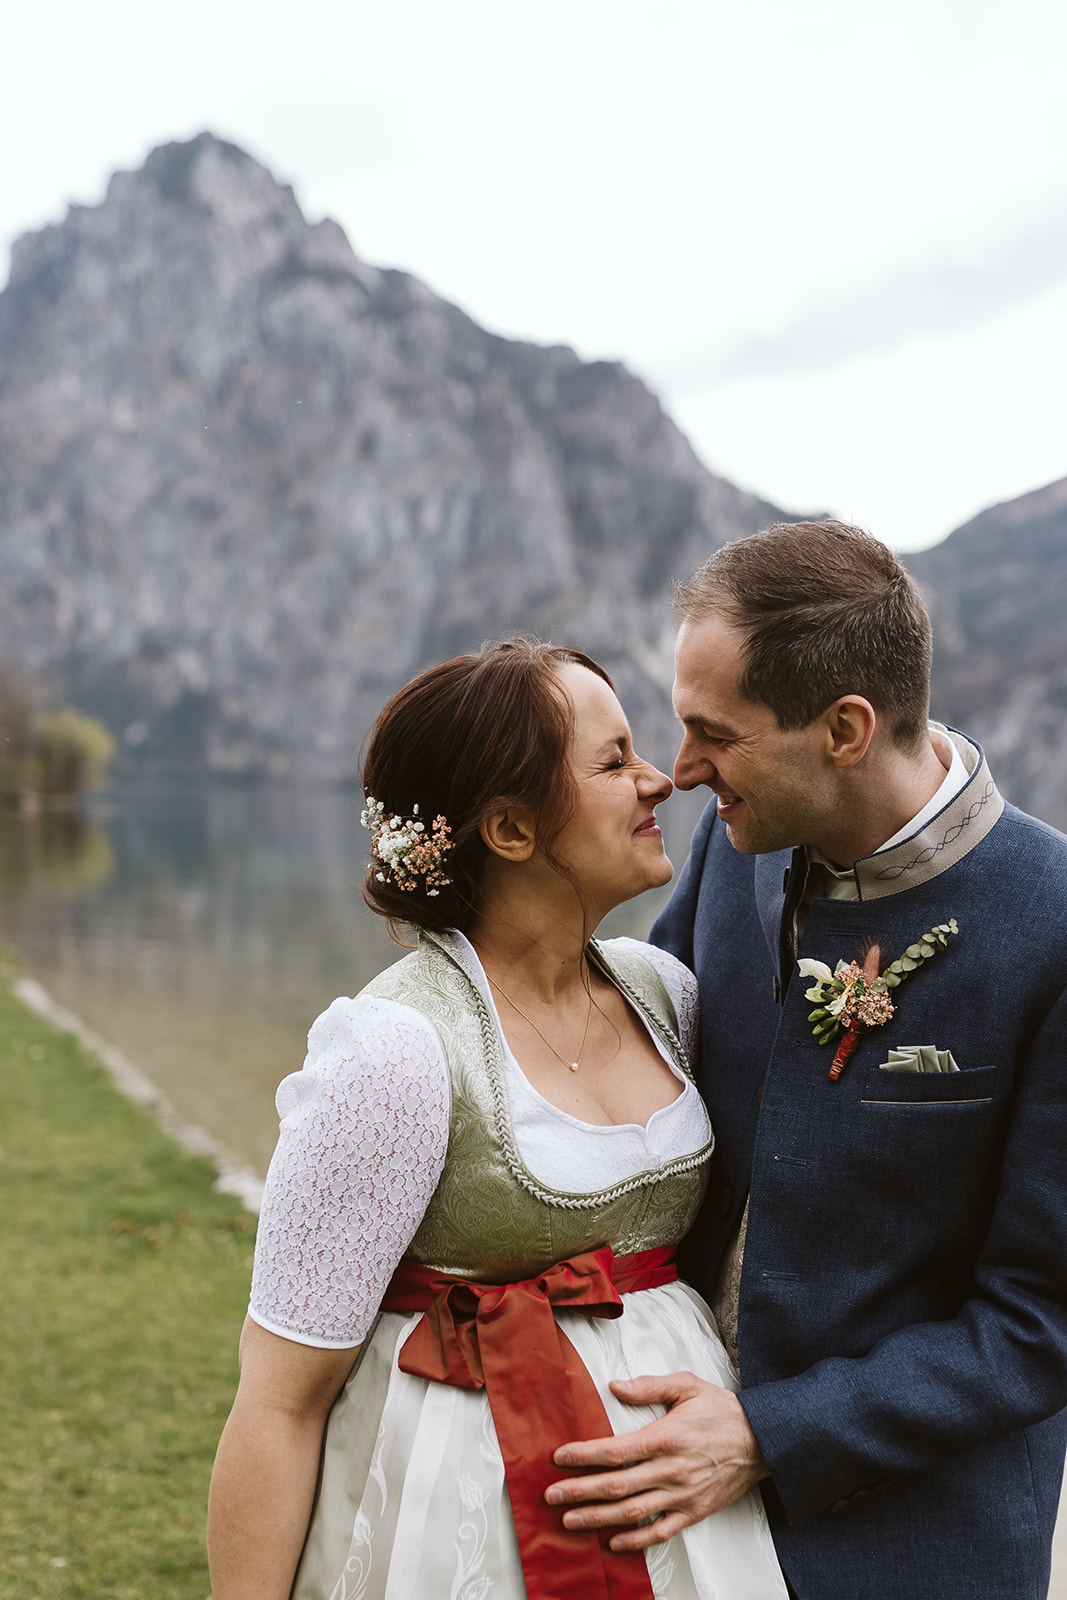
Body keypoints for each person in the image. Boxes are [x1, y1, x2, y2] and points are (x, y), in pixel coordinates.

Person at [544, 521, 1067, 1599]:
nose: (680, 772)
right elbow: (632, 1082)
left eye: (712, 734)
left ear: (842, 729)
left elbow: (1041, 1313)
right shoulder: (730, 852)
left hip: (914, 1548)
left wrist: (767, 1430)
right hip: (671, 1511)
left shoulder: (1053, 925)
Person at [207, 638, 788, 1600]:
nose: (657, 782)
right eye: (611, 762)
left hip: (683, 1506)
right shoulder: (392, 1054)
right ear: (512, 831)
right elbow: (279, 1403)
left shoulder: (664, 994)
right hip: (455, 1506)